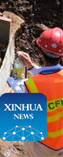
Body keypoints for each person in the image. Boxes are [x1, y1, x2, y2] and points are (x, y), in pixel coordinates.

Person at [9, 27, 63, 155]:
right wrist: (32, 68)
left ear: (39, 51)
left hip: (41, 144)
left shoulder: (31, 85)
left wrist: (13, 79)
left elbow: (16, 88)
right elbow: (52, 76)